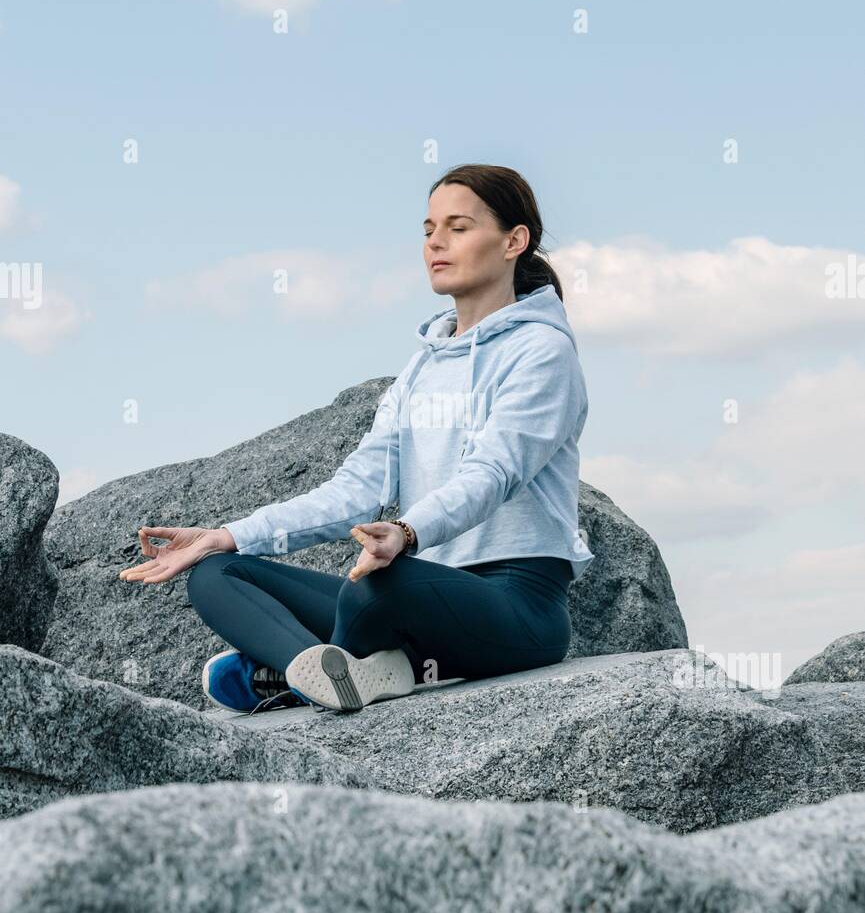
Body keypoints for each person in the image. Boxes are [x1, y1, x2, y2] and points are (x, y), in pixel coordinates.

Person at [118, 163, 594, 714]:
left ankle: (287, 673)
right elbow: (355, 489)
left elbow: (493, 473)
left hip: (514, 604)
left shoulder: (543, 352)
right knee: (218, 572)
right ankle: (327, 672)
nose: (436, 242)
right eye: (428, 229)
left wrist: (408, 531)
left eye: (458, 228)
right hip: (419, 599)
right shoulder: (420, 369)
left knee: (380, 587)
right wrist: (228, 534)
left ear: (515, 241)